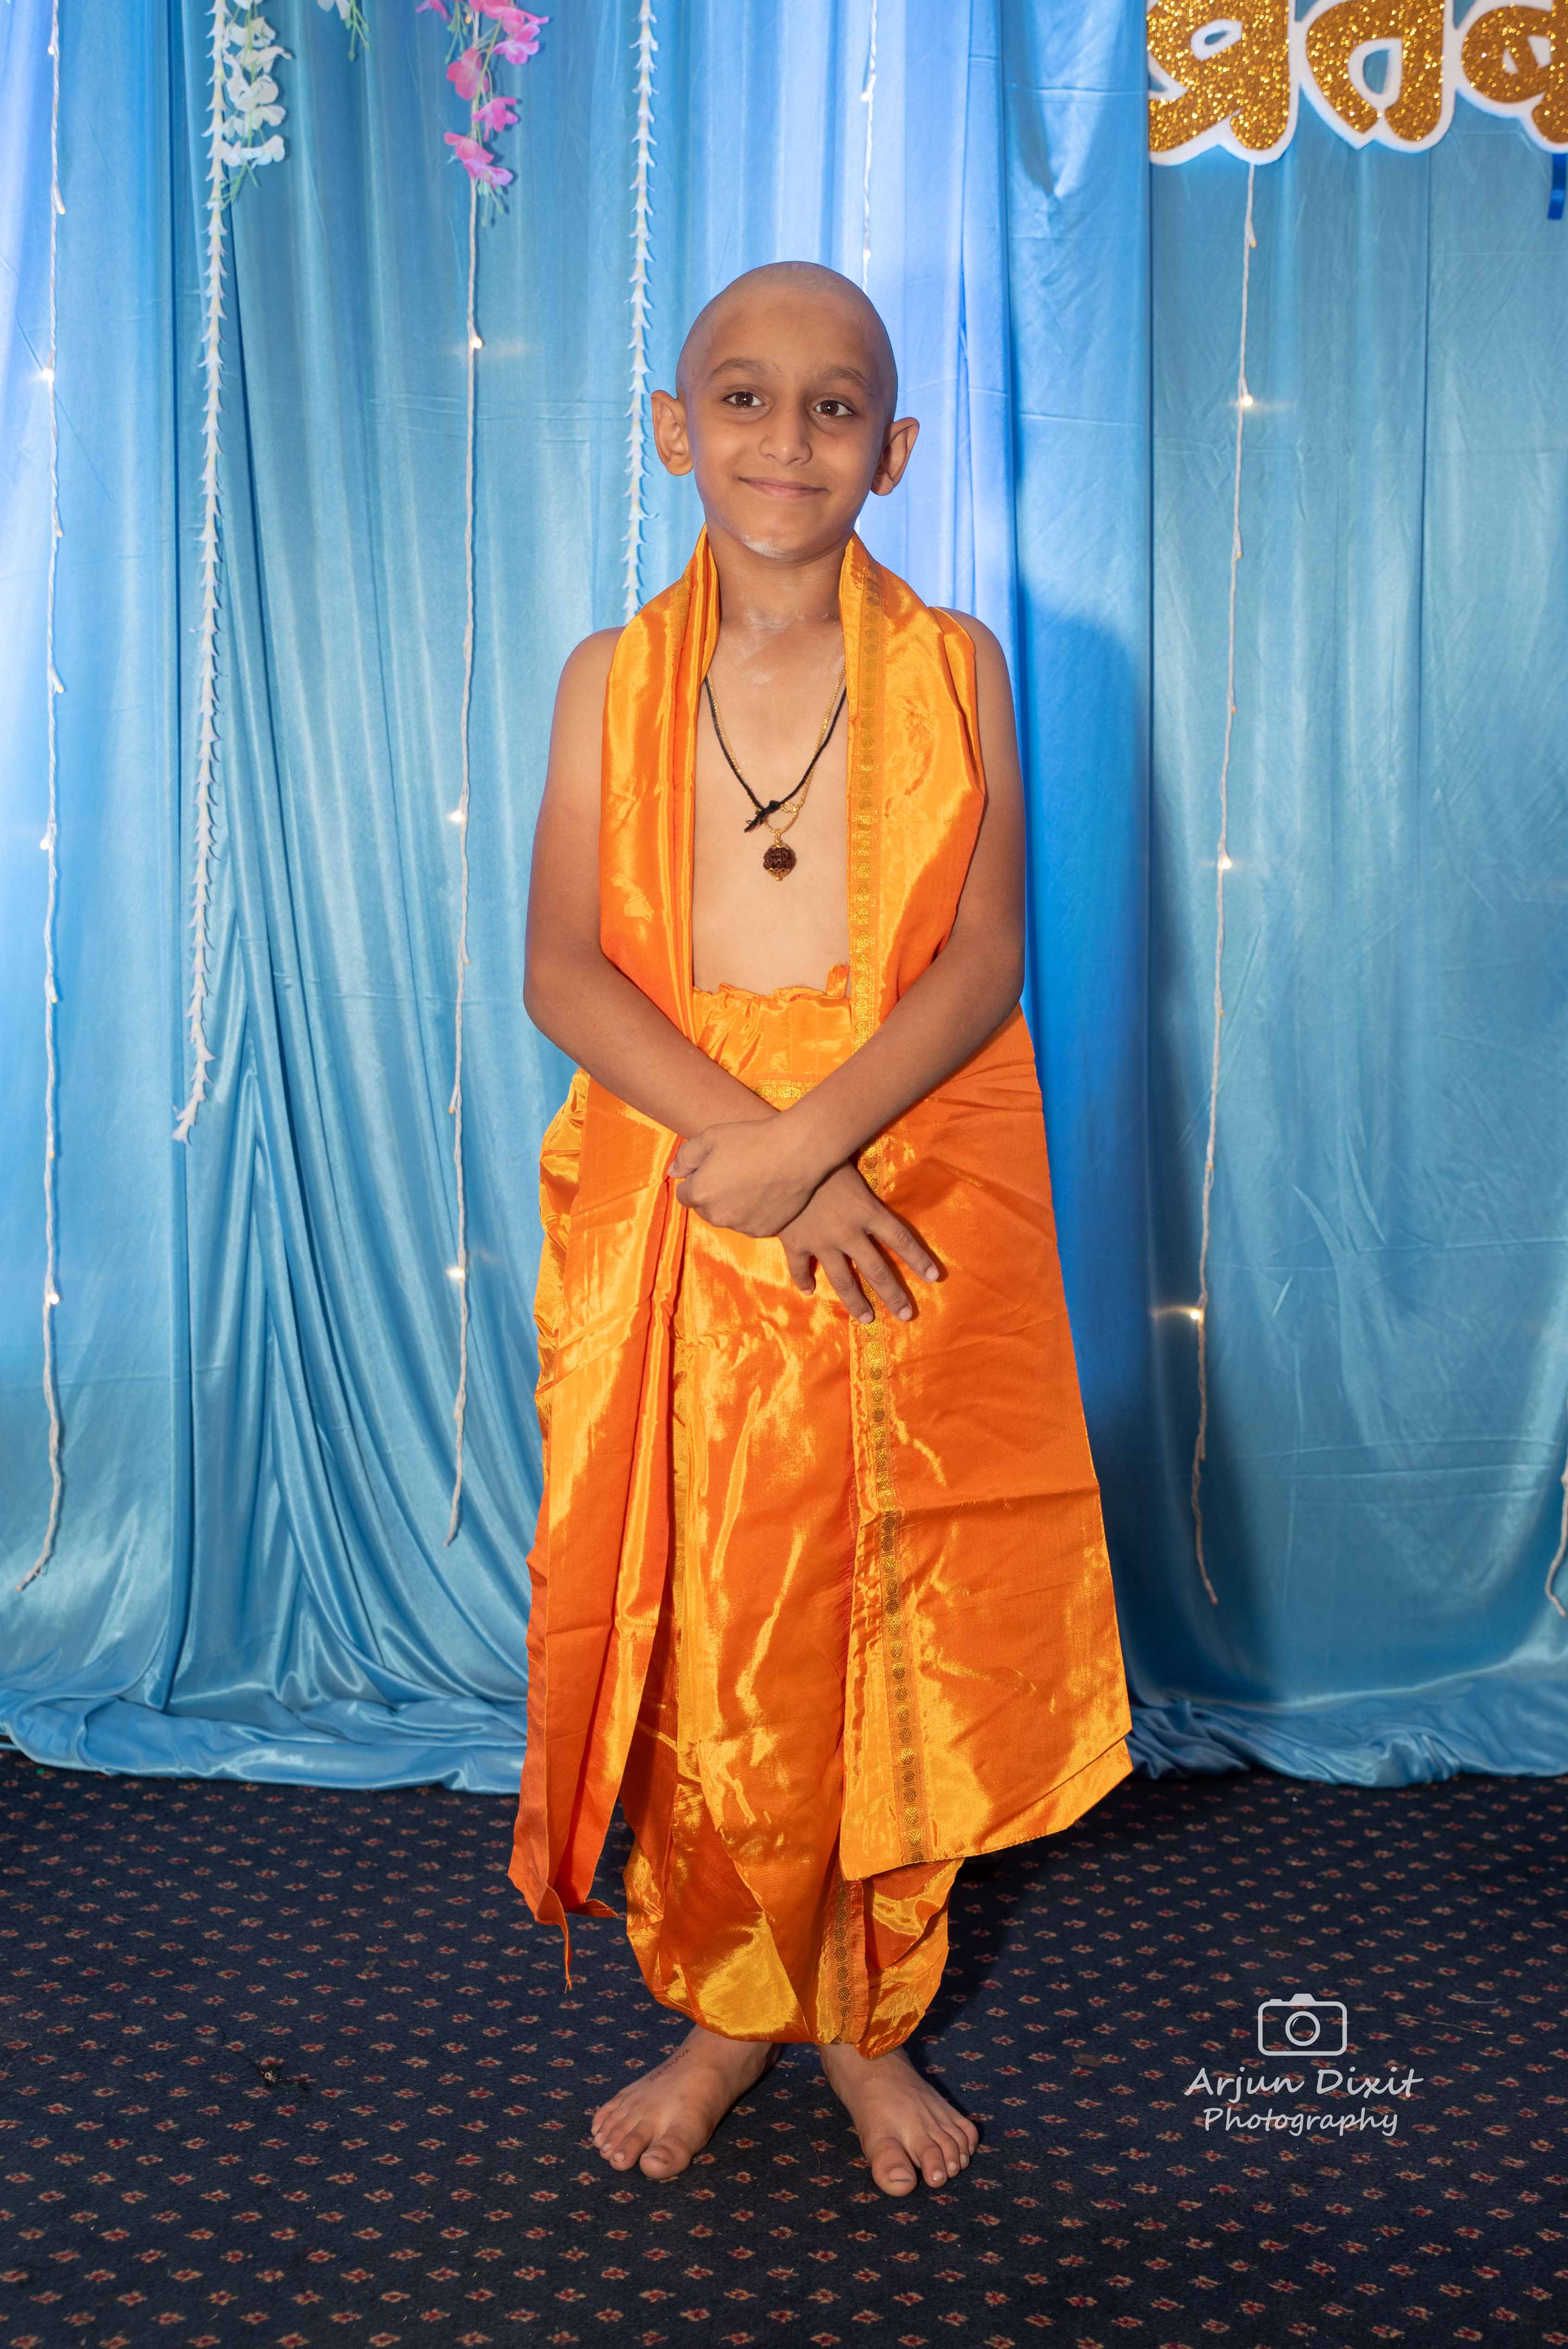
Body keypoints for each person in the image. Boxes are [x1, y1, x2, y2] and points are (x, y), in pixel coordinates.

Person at [510, 260, 1132, 2197]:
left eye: (837, 405)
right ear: (673, 430)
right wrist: (762, 1151)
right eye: (745, 396)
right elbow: (562, 966)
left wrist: (825, 1144)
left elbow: (984, 954)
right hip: (692, 1181)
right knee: (712, 1620)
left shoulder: (953, 666)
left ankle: (868, 2018)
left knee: (891, 1612)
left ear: (897, 448)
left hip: (895, 1180)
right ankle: (723, 2011)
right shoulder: (612, 677)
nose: (790, 437)